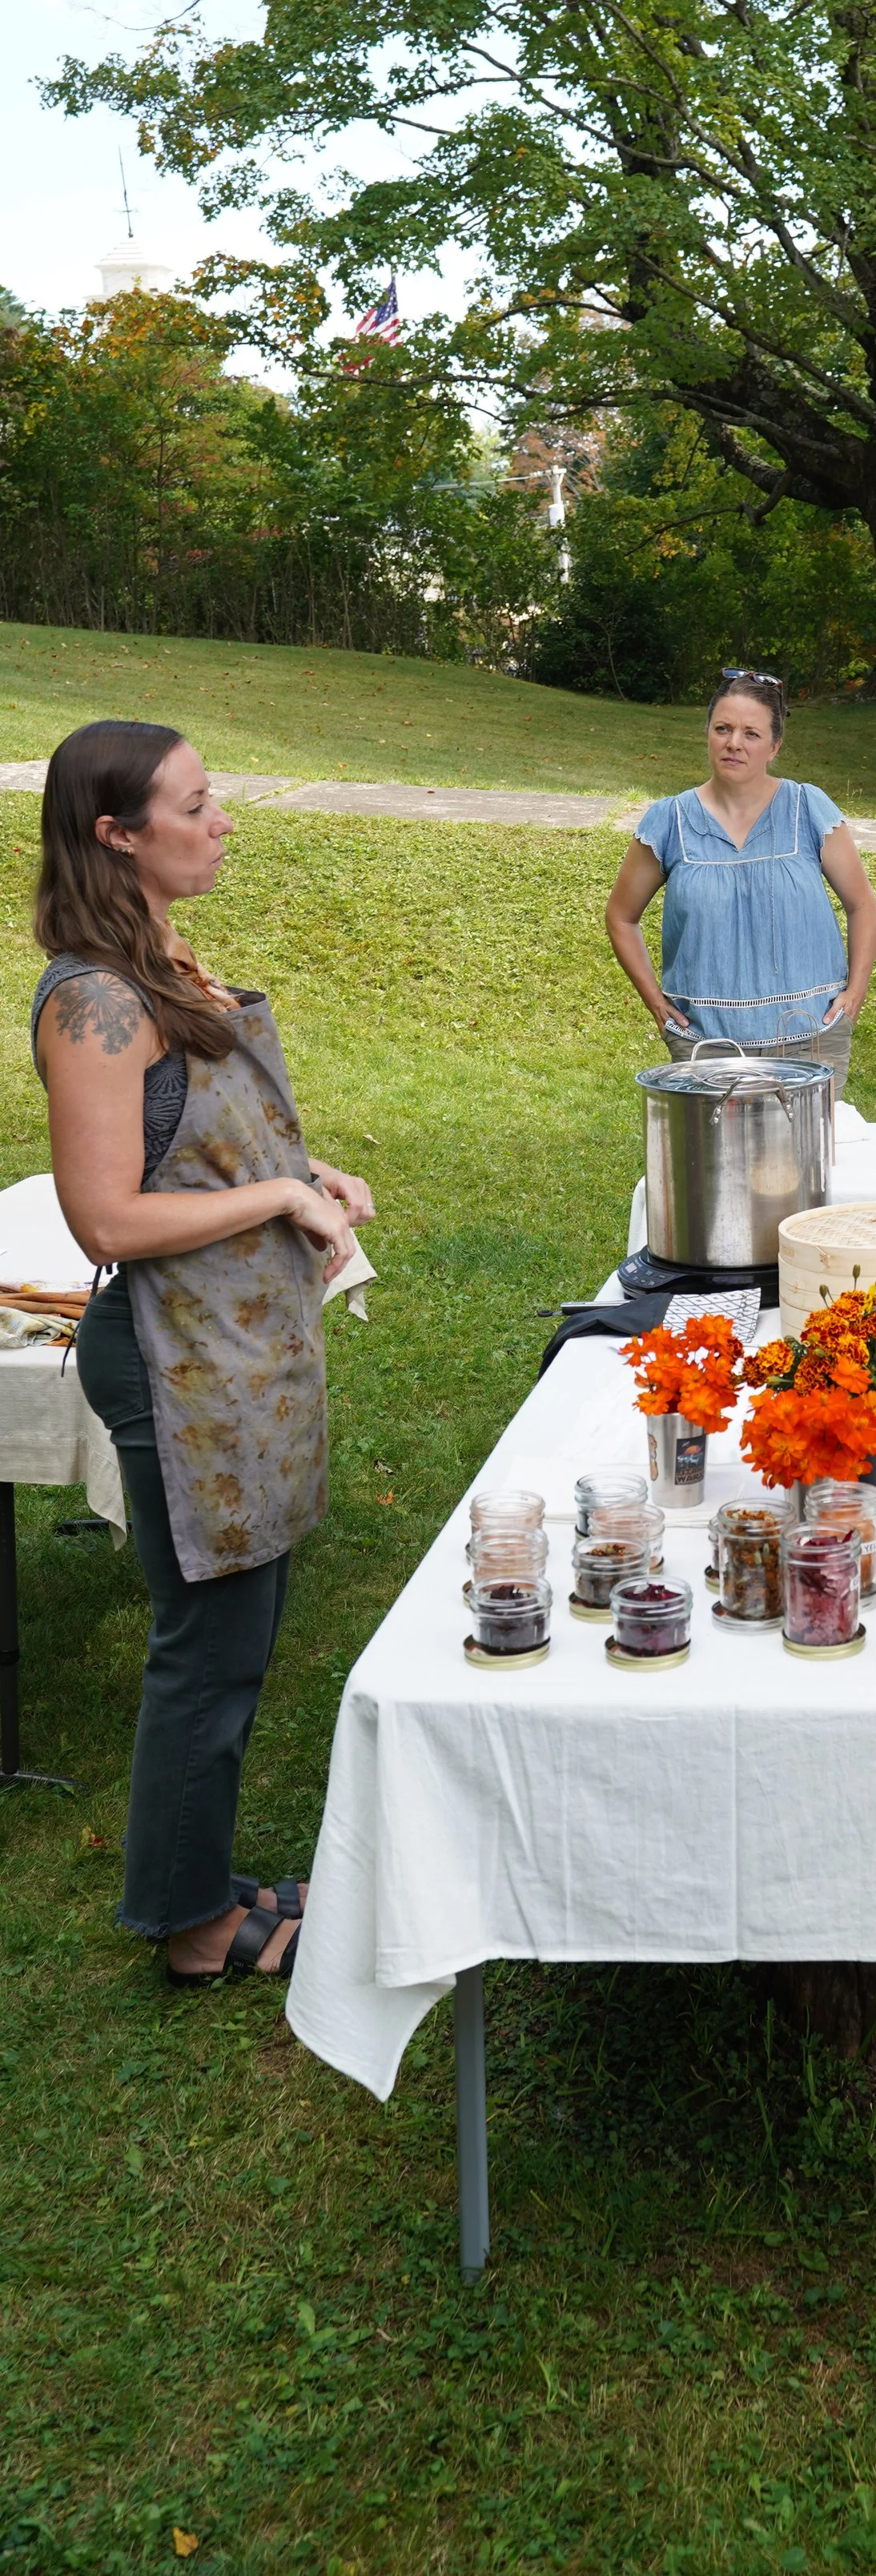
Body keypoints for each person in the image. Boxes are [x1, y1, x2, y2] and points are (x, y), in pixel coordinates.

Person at [34, 722, 372, 1984]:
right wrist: (279, 1202)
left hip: (239, 1350)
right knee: (205, 1653)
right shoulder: (93, 1001)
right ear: (118, 834)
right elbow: (108, 1216)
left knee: (237, 1643)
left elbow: (199, 1141)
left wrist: (303, 1169)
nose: (222, 818)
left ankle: (202, 1879)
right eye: (194, 803)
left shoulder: (163, 962)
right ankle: (189, 1928)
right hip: (176, 1359)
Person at [605, 669, 876, 1095]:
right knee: (716, 1163)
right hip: (706, 1046)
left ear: (775, 746)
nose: (734, 743)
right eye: (723, 729)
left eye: (751, 733)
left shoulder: (807, 808)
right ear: (708, 735)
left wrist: (855, 994)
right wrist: (656, 1003)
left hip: (809, 1038)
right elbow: (621, 917)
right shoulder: (669, 821)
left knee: (803, 1161)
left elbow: (861, 904)